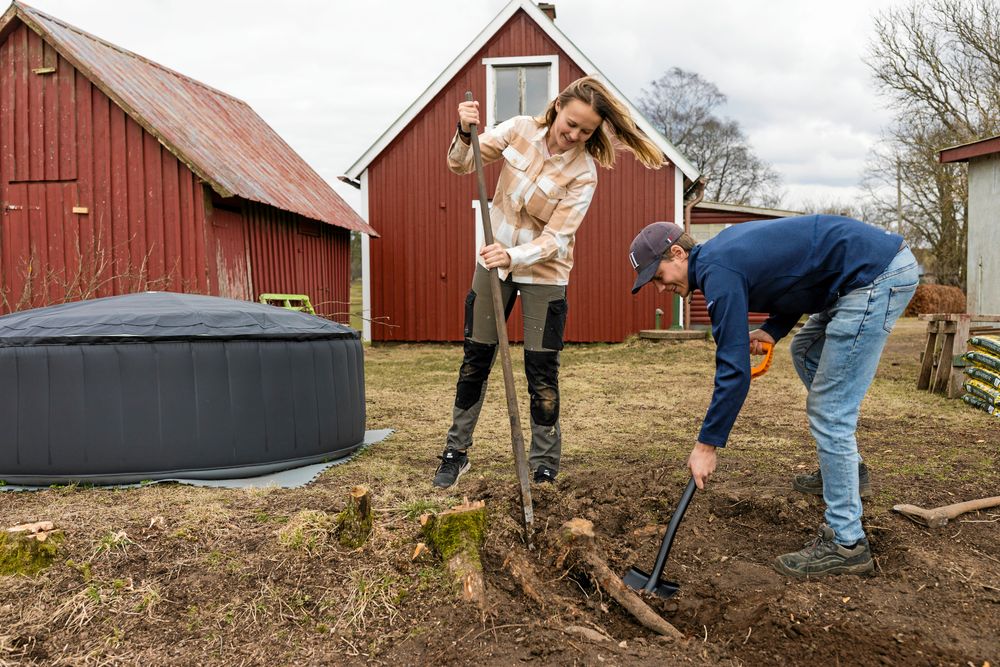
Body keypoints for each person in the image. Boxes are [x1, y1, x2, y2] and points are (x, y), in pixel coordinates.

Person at [628, 215, 917, 577]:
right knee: (805, 351)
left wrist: (707, 445)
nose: (659, 288)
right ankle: (848, 472)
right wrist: (773, 329)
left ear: (677, 253)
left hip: (874, 276)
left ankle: (846, 542)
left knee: (830, 411)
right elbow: (798, 276)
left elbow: (734, 371)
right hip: (858, 274)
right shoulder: (722, 255)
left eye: (658, 276)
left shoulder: (719, 273)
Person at [432, 76, 665, 489]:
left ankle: (543, 465)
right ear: (558, 106)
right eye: (571, 123)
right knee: (475, 360)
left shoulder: (584, 173)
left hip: (545, 273)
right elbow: (461, 164)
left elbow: (557, 239)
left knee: (541, 370)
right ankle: (456, 451)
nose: (574, 134)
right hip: (493, 266)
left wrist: (514, 255)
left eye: (586, 131)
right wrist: (463, 131)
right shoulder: (520, 129)